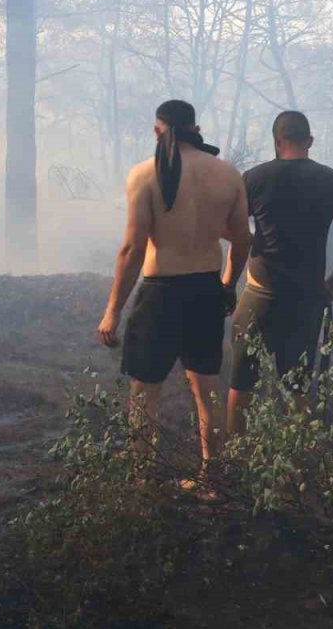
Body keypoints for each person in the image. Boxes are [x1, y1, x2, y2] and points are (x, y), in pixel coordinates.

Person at [98, 100, 252, 463]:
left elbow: (132, 248)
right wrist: (228, 285)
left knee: (144, 394)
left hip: (160, 295)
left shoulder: (144, 174)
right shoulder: (228, 174)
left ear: (158, 131)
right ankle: (212, 479)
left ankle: (143, 480)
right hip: (206, 291)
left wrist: (113, 310)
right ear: (195, 129)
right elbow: (242, 240)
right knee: (207, 392)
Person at [227, 110, 333, 434]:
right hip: (305, 300)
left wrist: (232, 276)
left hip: (259, 296)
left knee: (241, 384)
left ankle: (231, 457)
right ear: (310, 141)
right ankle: (298, 460)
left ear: (277, 141)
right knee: (297, 388)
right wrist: (332, 283)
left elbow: (232, 232)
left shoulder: (254, 178)